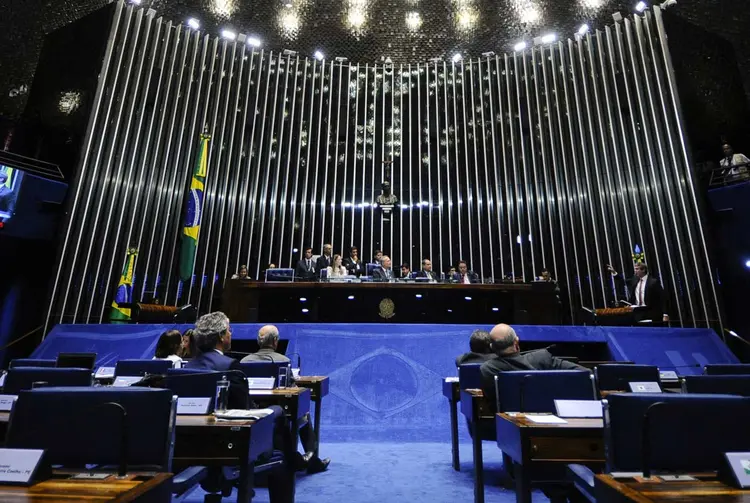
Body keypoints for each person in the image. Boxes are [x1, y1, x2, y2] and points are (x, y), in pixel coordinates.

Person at [240, 325, 331, 474]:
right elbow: (293, 389)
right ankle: (313, 461)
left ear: (258, 341)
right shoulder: (283, 360)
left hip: (251, 411)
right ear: (275, 341)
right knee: (304, 413)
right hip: (279, 413)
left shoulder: (244, 361)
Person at [480, 324, 587, 414]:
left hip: (511, 424)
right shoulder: (542, 358)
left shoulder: (488, 369)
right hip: (556, 418)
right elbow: (584, 373)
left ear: (492, 347)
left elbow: (493, 402)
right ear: (516, 341)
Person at [185, 311, 251, 409]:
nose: (230, 334)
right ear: (221, 336)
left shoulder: (187, 366)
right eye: (229, 330)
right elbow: (242, 406)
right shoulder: (231, 366)